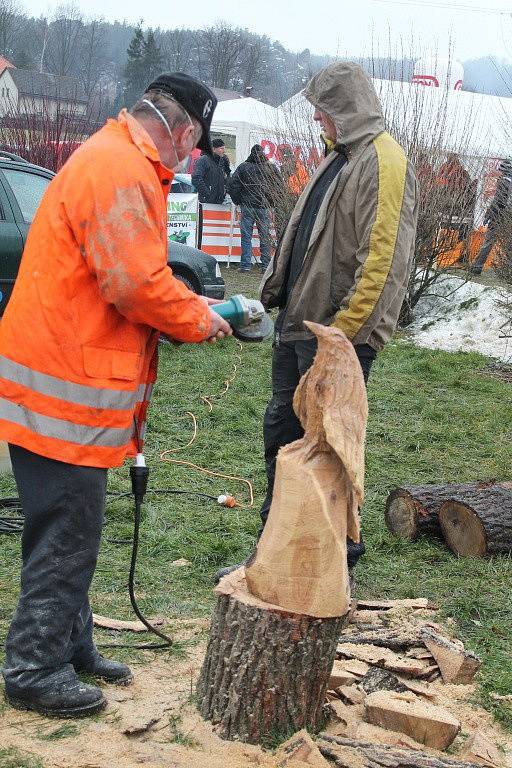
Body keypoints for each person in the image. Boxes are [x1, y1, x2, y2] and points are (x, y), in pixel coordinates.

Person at [0, 72, 232, 719]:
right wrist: (197, 319)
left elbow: (134, 274)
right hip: (62, 395)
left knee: (64, 529)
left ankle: (70, 644)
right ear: (184, 131)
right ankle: (33, 667)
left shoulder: (113, 156)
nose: (189, 156)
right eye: (192, 145)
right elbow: (134, 283)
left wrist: (188, 303)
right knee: (69, 532)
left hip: (56, 386)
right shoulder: (123, 168)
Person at [216, 61, 417, 583]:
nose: (316, 121)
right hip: (299, 323)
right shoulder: (340, 157)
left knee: (327, 445)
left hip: (336, 334)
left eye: (322, 112)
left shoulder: (384, 162)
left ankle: (330, 560)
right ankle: (275, 545)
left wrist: (344, 335)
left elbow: (384, 260)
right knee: (284, 433)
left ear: (343, 110)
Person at [228, 144, 284, 272]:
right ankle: (265, 265)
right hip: (263, 206)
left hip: (247, 205)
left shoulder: (243, 167)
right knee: (264, 236)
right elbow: (280, 185)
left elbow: (232, 184)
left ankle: (245, 265)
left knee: (246, 236)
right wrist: (272, 202)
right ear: (263, 154)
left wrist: (238, 200)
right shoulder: (270, 167)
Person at [470, 158, 512, 275]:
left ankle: (477, 267)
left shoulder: (504, 182)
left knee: (488, 242)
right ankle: (507, 270)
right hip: (509, 217)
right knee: (508, 244)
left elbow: (497, 202)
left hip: (499, 216)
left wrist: (488, 216)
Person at [191, 137, 230, 204]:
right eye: (221, 148)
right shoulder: (203, 160)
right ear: (213, 149)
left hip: (220, 201)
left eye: (224, 148)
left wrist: (225, 191)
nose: (224, 151)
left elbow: (227, 177)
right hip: (206, 202)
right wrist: (207, 194)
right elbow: (196, 178)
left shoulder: (223, 161)